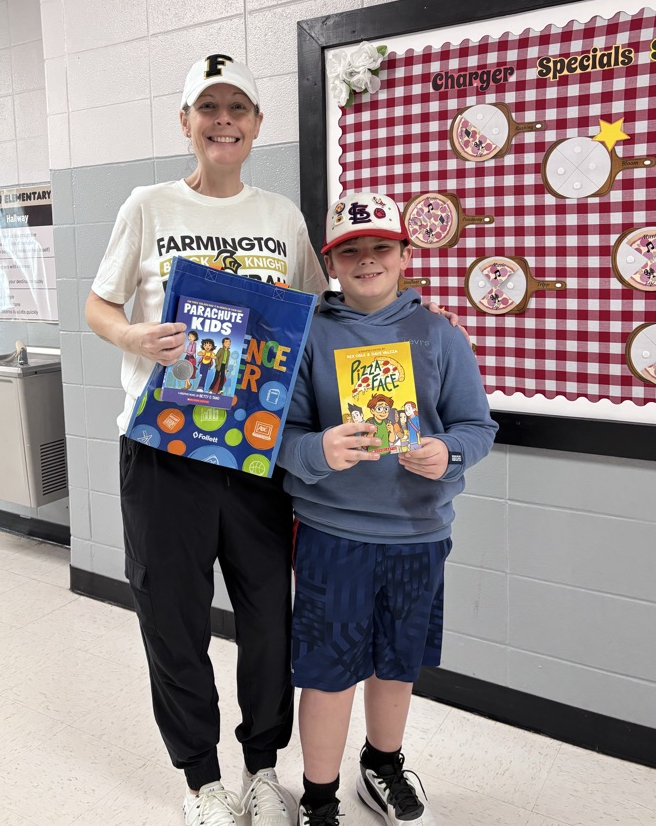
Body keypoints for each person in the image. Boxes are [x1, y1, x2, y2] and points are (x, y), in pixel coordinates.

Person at [85, 54, 461, 826]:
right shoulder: (147, 205)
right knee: (174, 619)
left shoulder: (281, 216)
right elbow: (99, 305)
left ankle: (262, 768)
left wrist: (411, 340)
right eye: (208, 107)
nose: (223, 121)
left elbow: (324, 318)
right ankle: (201, 780)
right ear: (185, 121)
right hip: (165, 450)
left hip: (257, 450)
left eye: (238, 108)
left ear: (257, 124)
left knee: (268, 622)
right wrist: (133, 336)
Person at [277, 192, 497, 826]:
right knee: (328, 672)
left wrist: (448, 452)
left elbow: (477, 426)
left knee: (398, 663)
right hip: (331, 533)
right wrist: (317, 450)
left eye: (381, 247)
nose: (367, 260)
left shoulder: (439, 334)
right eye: (350, 251)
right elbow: (279, 434)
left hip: (418, 534)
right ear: (330, 264)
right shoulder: (311, 334)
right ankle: (320, 797)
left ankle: (382, 764)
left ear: (405, 255)